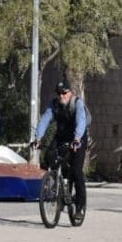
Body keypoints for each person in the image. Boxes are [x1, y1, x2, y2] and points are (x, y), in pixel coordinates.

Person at [32, 80, 88, 215]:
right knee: (48, 157)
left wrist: (77, 138)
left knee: (76, 170)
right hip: (61, 136)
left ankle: (80, 205)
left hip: (78, 138)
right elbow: (45, 120)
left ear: (70, 92)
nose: (61, 96)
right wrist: (38, 138)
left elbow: (81, 121)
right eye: (58, 93)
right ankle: (56, 189)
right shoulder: (54, 104)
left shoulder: (77, 103)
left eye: (64, 93)